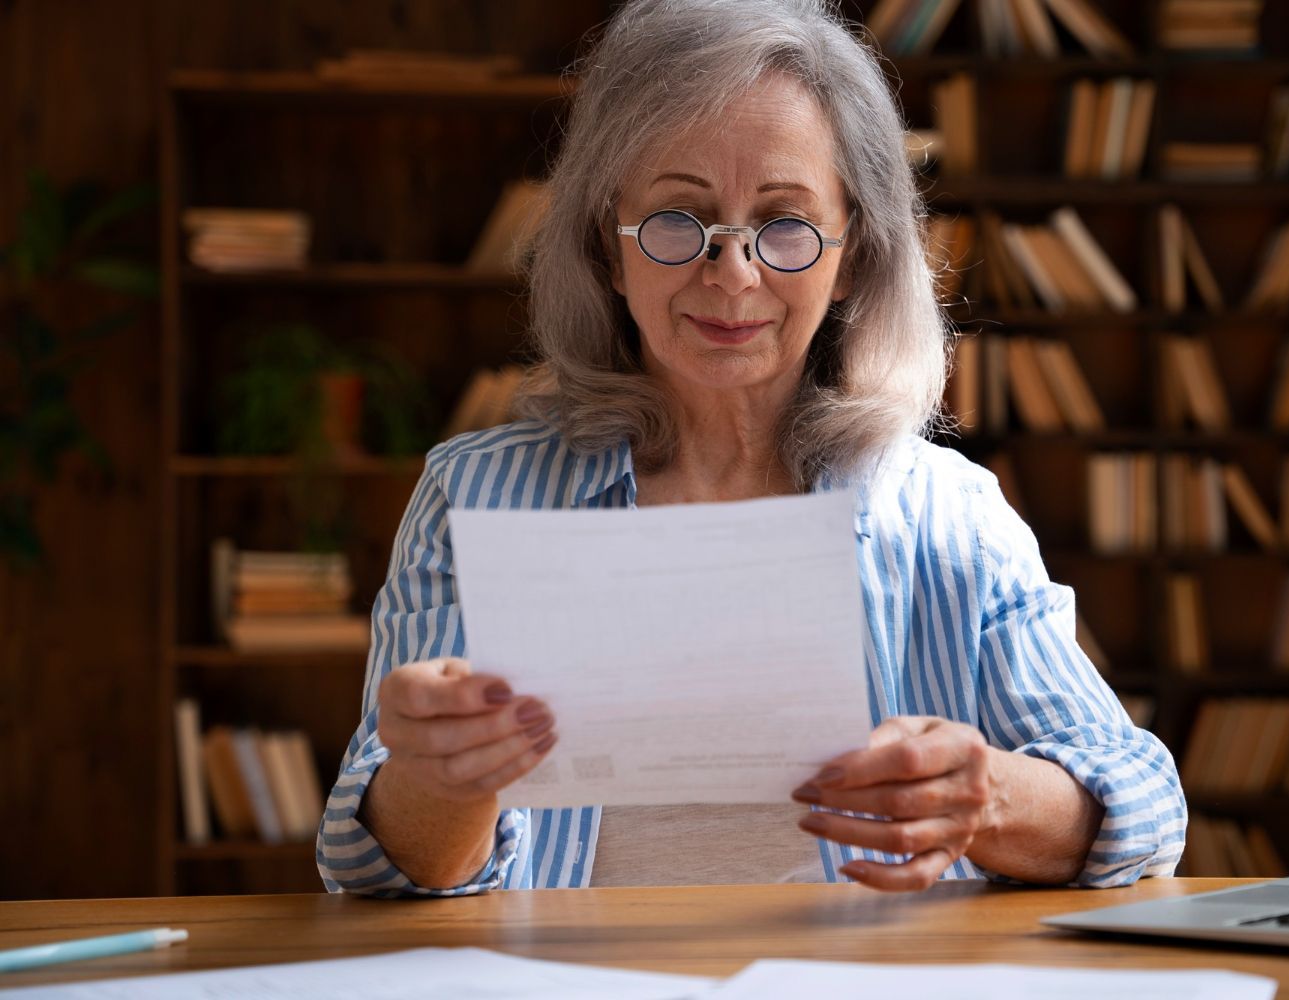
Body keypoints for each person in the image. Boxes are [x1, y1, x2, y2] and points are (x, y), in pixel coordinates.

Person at [317, 0, 1186, 897]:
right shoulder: (480, 497)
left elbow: (1148, 811)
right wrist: (442, 777)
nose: (732, 273)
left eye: (785, 224)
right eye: (677, 220)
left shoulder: (948, 517)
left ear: (851, 257)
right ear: (609, 253)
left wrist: (991, 797)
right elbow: (376, 866)